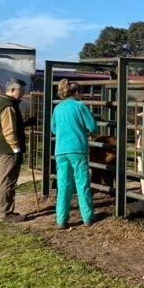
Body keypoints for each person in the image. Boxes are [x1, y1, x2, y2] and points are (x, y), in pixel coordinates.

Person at [50, 79, 98, 229]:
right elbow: (92, 126)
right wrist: (83, 130)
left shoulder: (58, 108)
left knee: (63, 185)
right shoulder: (80, 106)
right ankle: (88, 217)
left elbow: (54, 129)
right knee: (82, 183)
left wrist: (64, 133)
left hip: (60, 150)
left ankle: (61, 220)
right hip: (78, 149)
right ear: (77, 92)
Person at [0, 77, 34, 222]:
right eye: (21, 91)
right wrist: (16, 150)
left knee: (0, 180)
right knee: (7, 181)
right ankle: (6, 213)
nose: (23, 94)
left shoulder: (2, 103)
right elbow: (9, 131)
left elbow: (11, 125)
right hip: (8, 149)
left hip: (2, 148)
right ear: (12, 90)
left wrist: (25, 123)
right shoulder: (8, 106)